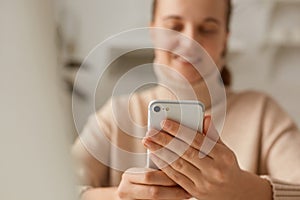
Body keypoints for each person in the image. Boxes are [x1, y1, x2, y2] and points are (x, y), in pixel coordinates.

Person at [72, 0, 300, 199]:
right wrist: (117, 198)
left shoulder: (262, 113)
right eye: (174, 27)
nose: (190, 41)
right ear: (153, 31)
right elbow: (52, 187)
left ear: (225, 40)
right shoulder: (116, 115)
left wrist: (243, 191)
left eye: (207, 29)